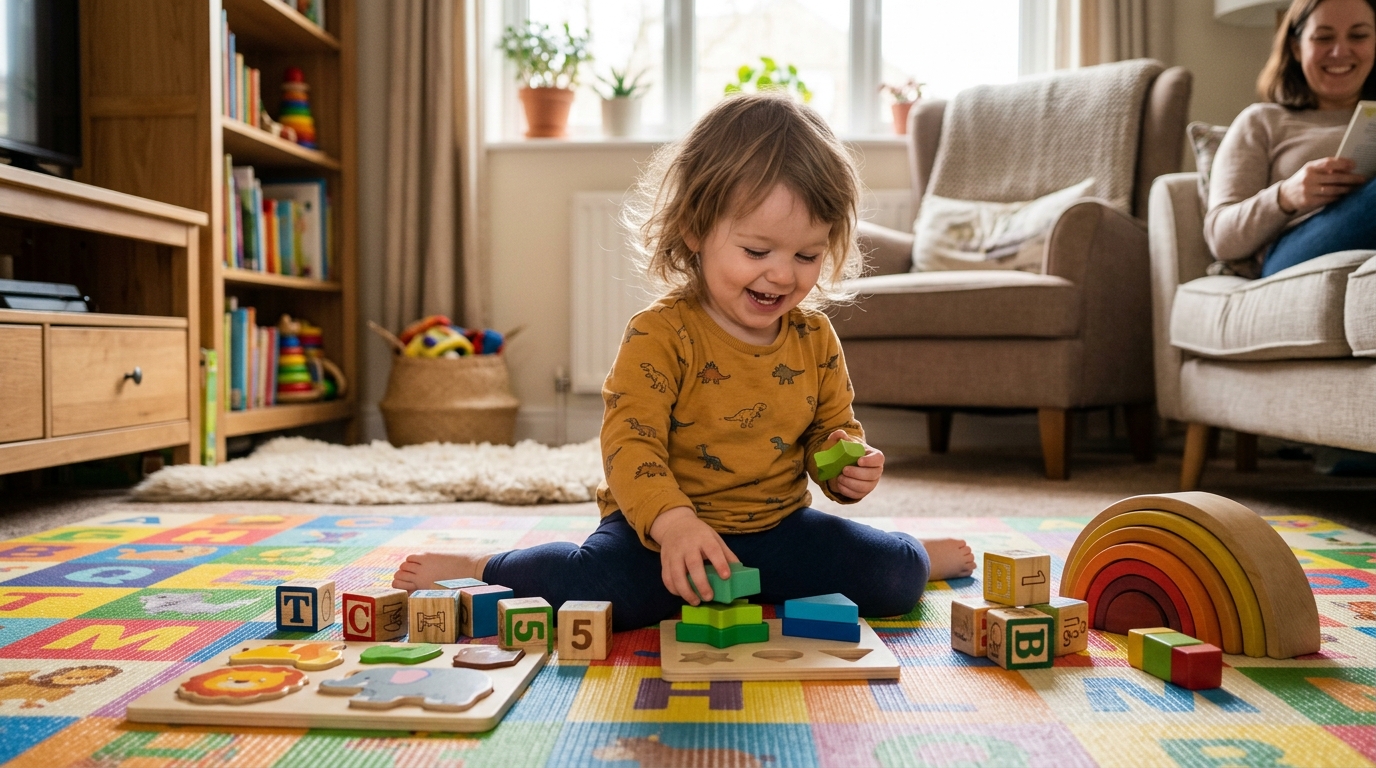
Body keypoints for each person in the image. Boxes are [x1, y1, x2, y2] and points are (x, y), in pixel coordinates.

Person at [392, 93, 975, 631]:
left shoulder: (815, 338)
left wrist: (843, 471)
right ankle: (485, 564)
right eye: (756, 250)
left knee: (893, 580)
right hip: (655, 531)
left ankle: (916, 554)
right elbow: (631, 444)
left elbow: (831, 433)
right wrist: (674, 526)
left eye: (807, 254)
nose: (782, 273)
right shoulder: (658, 334)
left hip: (779, 529)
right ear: (695, 228)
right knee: (592, 591)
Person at [1205, 0, 1376, 279]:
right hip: (1293, 253)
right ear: (1297, 48)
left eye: (1358, 36)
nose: (1340, 51)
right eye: (1323, 38)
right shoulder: (1262, 121)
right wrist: (1287, 195)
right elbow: (1221, 238)